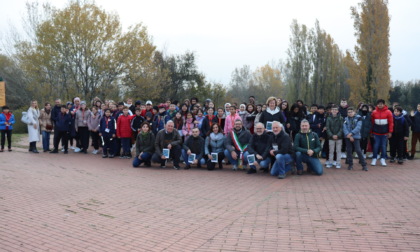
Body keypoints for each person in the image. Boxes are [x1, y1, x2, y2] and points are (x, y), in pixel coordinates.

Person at [370, 99, 393, 166]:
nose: (380, 105)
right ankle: (374, 158)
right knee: (376, 145)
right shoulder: (374, 112)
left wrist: (390, 132)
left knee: (383, 146)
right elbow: (372, 123)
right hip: (376, 132)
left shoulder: (388, 112)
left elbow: (391, 123)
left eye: (381, 104)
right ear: (377, 104)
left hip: (384, 133)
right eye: (379, 104)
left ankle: (383, 159)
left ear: (384, 104)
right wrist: (371, 131)